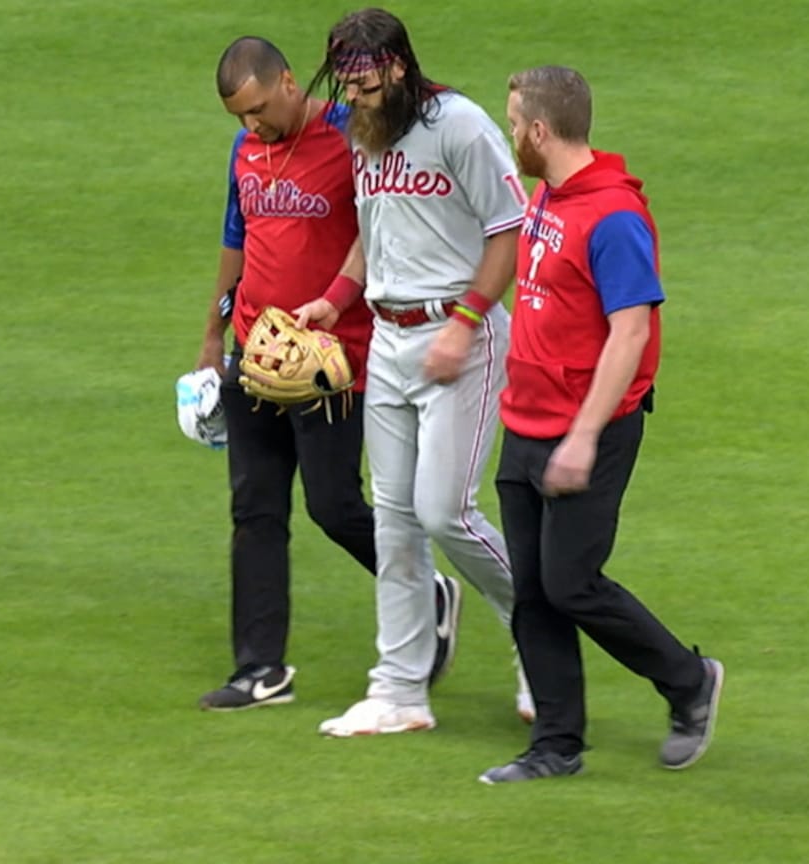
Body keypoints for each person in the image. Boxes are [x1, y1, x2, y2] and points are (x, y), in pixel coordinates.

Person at [196, 37, 462, 712]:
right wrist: (213, 333)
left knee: (332, 504)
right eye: (238, 116)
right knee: (254, 509)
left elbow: (378, 226)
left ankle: (427, 593)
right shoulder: (244, 152)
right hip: (257, 354)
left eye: (258, 108)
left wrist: (337, 304)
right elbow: (239, 236)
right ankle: (259, 669)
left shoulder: (350, 133)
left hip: (334, 360)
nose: (251, 126)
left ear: (288, 81)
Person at [476, 66, 724, 783]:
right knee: (532, 588)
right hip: (526, 421)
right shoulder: (551, 196)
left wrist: (583, 436)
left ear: (540, 131)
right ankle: (556, 745)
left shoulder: (612, 217)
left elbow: (630, 333)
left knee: (571, 582)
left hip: (588, 427)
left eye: (513, 123)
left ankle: (689, 681)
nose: (510, 135)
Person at [296, 8, 532, 736]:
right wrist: (337, 299)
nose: (354, 100)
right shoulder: (366, 132)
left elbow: (508, 229)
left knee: (445, 512)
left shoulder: (459, 125)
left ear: (397, 67)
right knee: (394, 523)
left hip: (459, 335)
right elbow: (376, 229)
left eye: (365, 85)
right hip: (391, 341)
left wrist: (463, 326)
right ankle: (399, 689)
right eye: (347, 87)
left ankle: (542, 640)